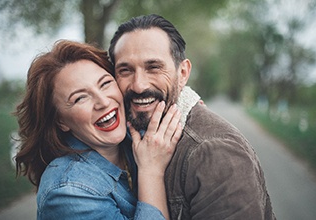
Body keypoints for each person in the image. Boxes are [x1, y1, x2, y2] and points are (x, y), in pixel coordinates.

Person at [108, 14, 276, 219]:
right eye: (125, 70)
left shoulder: (214, 152)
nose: (139, 85)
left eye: (154, 67)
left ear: (183, 73)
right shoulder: (125, 135)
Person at [14, 40, 182, 220]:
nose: (103, 101)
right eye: (80, 98)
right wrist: (151, 172)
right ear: (61, 121)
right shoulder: (68, 191)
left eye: (105, 84)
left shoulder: (132, 133)